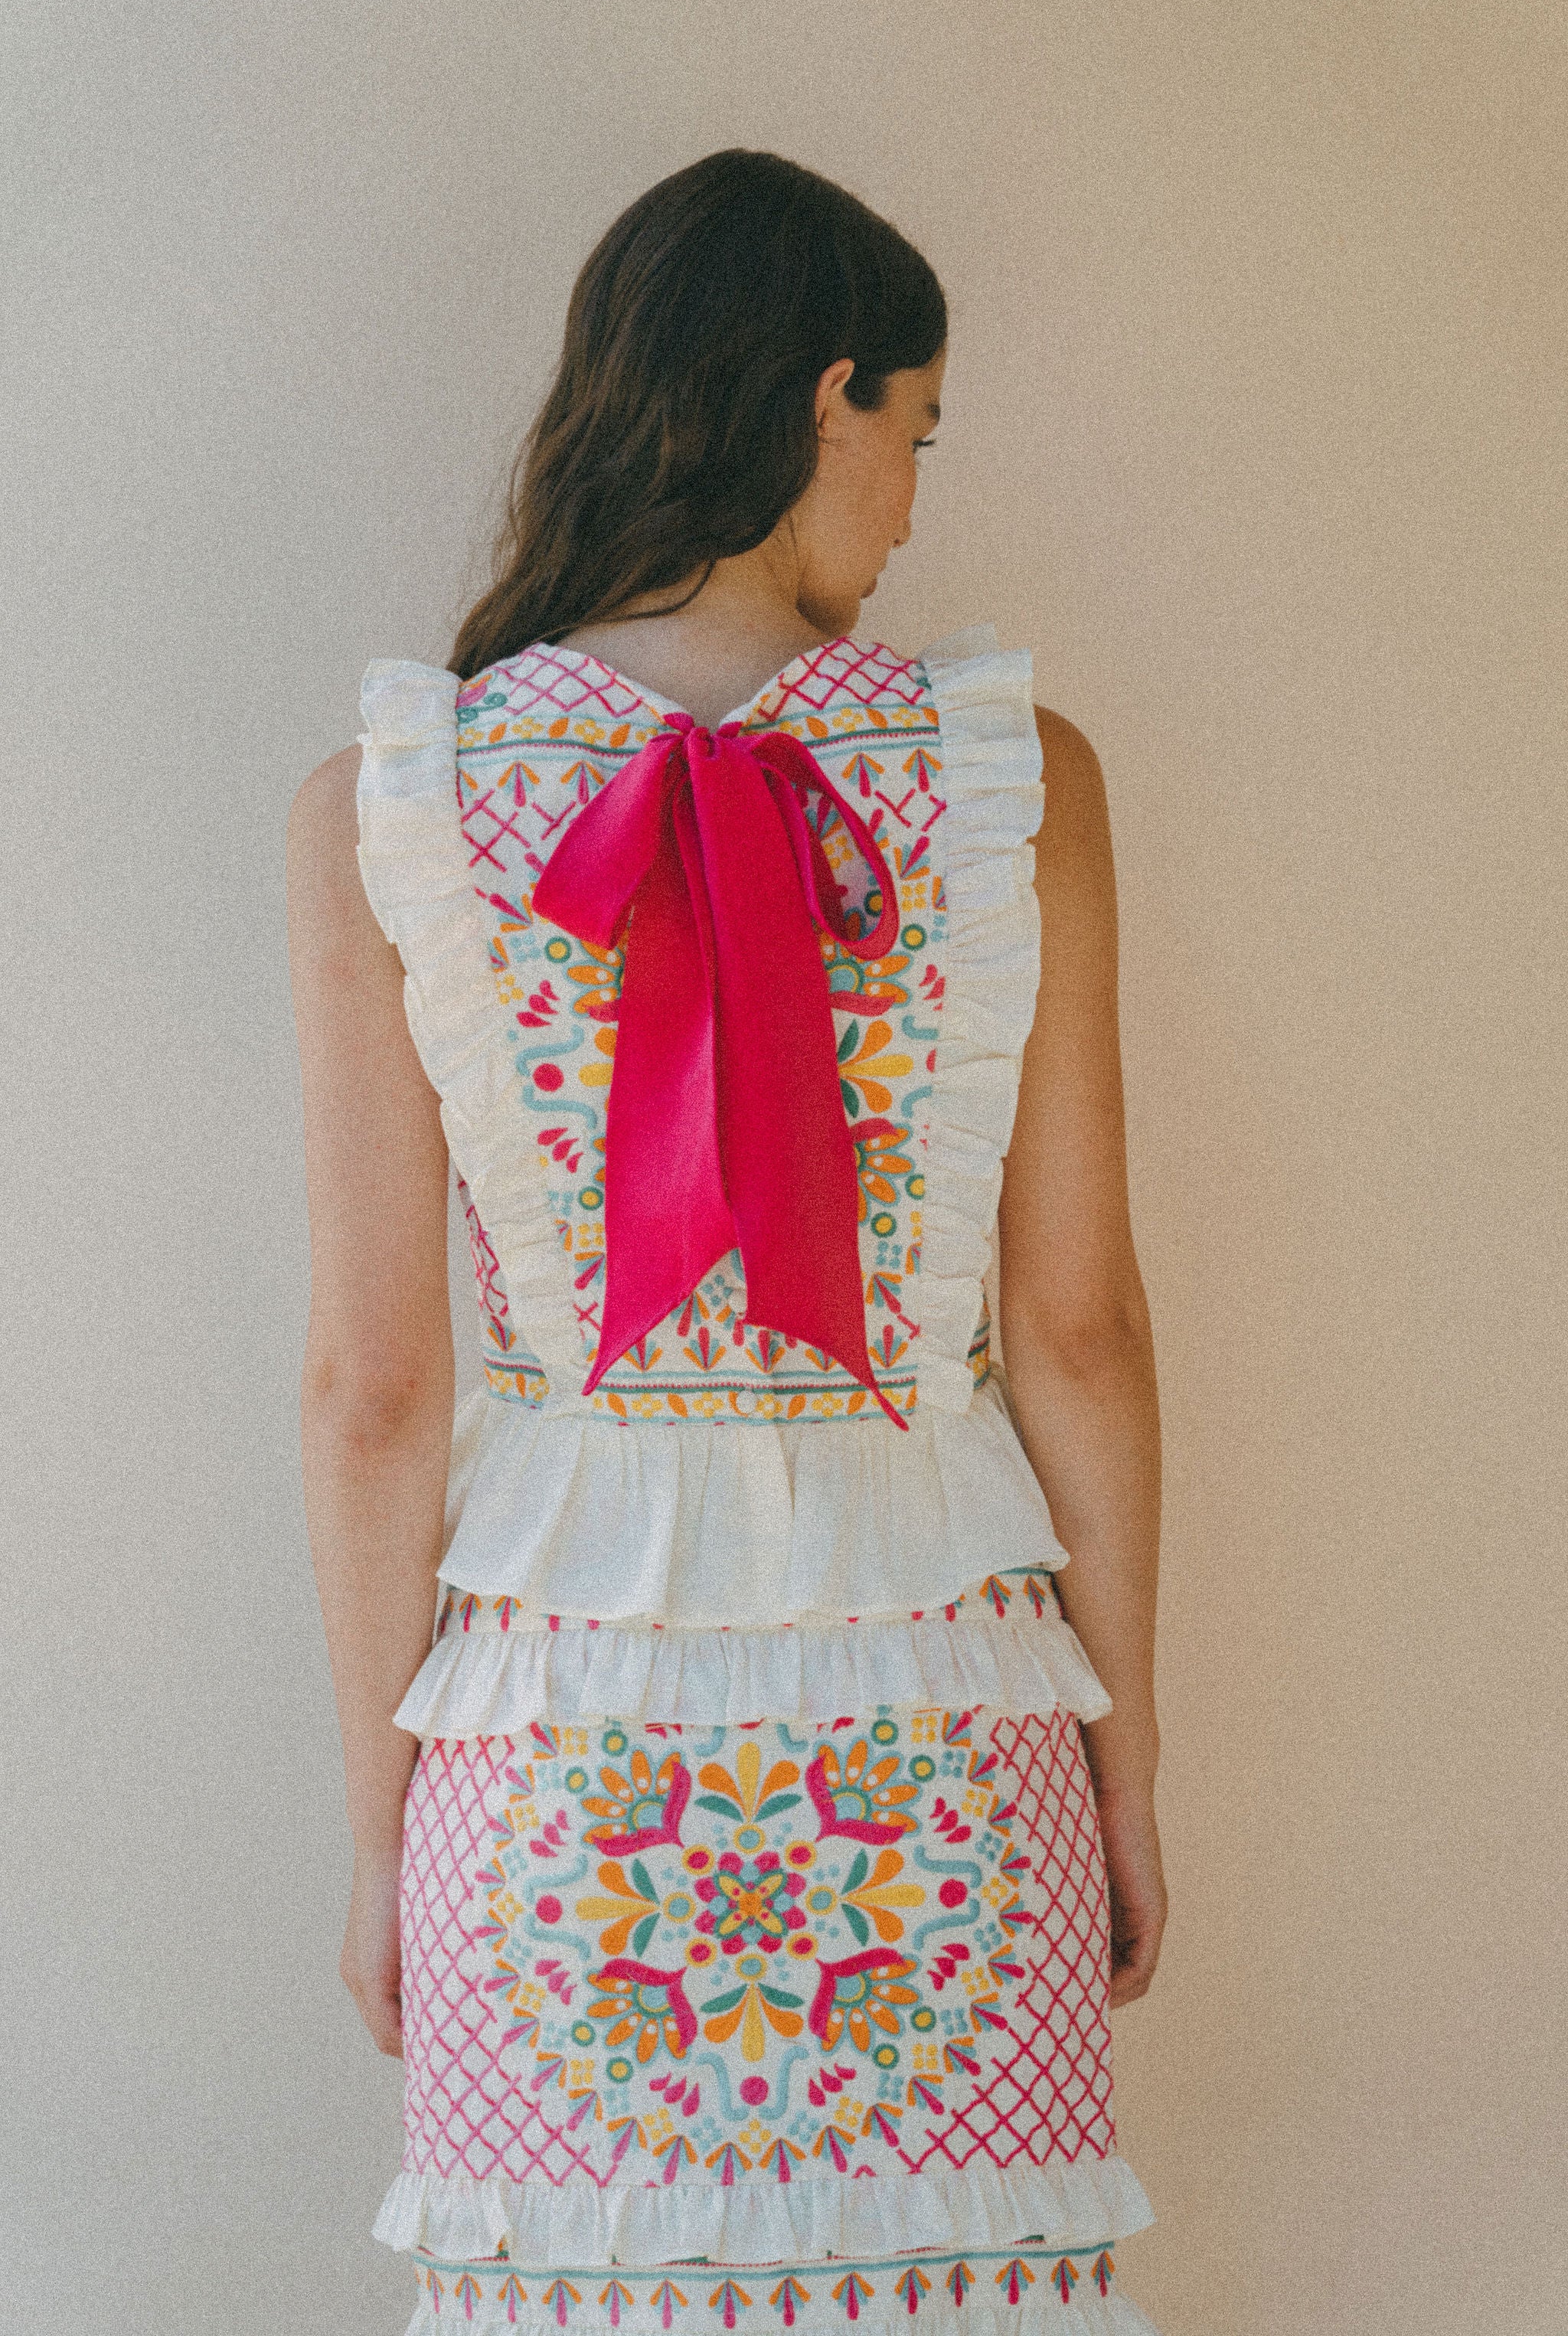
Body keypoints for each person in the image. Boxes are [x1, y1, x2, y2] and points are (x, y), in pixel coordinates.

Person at [287, 147, 1167, 2335]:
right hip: (951, 1715)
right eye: (919, 431)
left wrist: (387, 1834)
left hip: (547, 1744)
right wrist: (1125, 1763)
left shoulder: (392, 800)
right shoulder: (1013, 778)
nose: (914, 498)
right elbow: (1077, 1329)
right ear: (827, 393)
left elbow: (377, 1385)